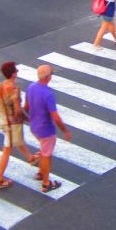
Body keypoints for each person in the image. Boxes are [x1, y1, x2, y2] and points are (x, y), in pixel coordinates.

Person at [0, 61, 38, 190]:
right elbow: (18, 110)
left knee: (16, 142)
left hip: (3, 120)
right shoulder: (14, 89)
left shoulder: (0, 86)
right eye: (16, 70)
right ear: (13, 73)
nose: (17, 72)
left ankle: (30, 158)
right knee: (7, 150)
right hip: (13, 123)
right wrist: (29, 119)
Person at [23, 64, 71, 194]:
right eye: (52, 73)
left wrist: (29, 119)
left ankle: (40, 173)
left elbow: (26, 107)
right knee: (46, 155)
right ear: (48, 77)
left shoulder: (31, 87)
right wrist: (65, 130)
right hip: (46, 130)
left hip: (34, 127)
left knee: (44, 150)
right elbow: (55, 117)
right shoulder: (48, 94)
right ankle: (46, 183)